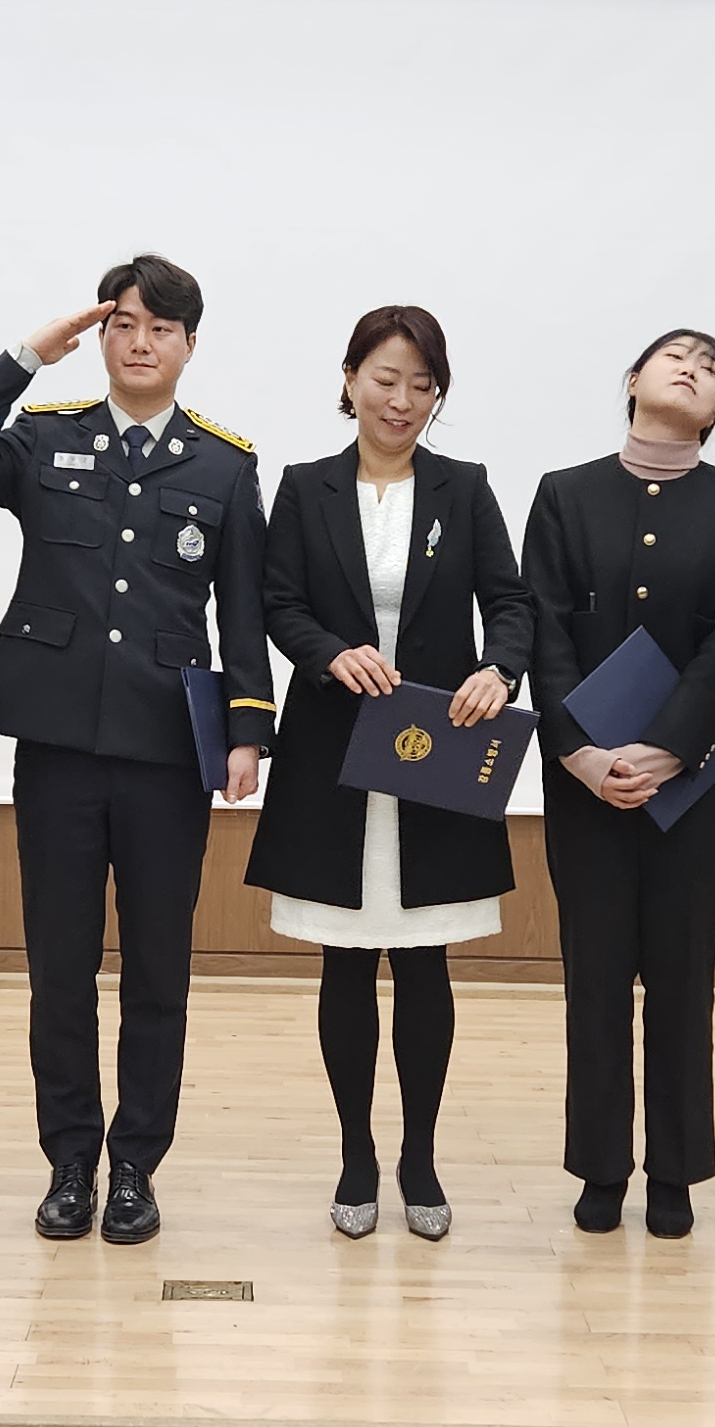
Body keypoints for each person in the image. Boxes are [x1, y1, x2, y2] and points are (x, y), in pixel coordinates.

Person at [0, 253, 272, 1249]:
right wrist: (28, 355)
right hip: (59, 745)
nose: (139, 342)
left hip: (167, 750)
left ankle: (135, 1167)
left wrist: (248, 730)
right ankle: (70, 1161)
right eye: (122, 323)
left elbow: (243, 613)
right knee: (61, 966)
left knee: (158, 969)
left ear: (189, 346)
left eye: (160, 328)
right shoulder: (46, 436)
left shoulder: (223, 465)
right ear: (102, 335)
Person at [245, 306, 530, 1244]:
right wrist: (330, 653)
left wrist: (501, 670)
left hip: (436, 747)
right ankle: (356, 1154)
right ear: (350, 380)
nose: (402, 400)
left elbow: (511, 602)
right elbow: (278, 602)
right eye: (385, 379)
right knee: (344, 958)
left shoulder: (465, 487)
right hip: (334, 751)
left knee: (424, 959)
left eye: (421, 385)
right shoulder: (306, 486)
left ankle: (421, 1157)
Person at [519, 329, 715, 1240]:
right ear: (634, 379)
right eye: (677, 357)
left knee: (681, 975)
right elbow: (543, 626)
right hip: (583, 782)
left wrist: (670, 747)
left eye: (712, 369)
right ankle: (600, 1166)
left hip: (692, 782)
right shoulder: (565, 494)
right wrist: (579, 753)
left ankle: (674, 1172)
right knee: (593, 976)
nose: (693, 369)